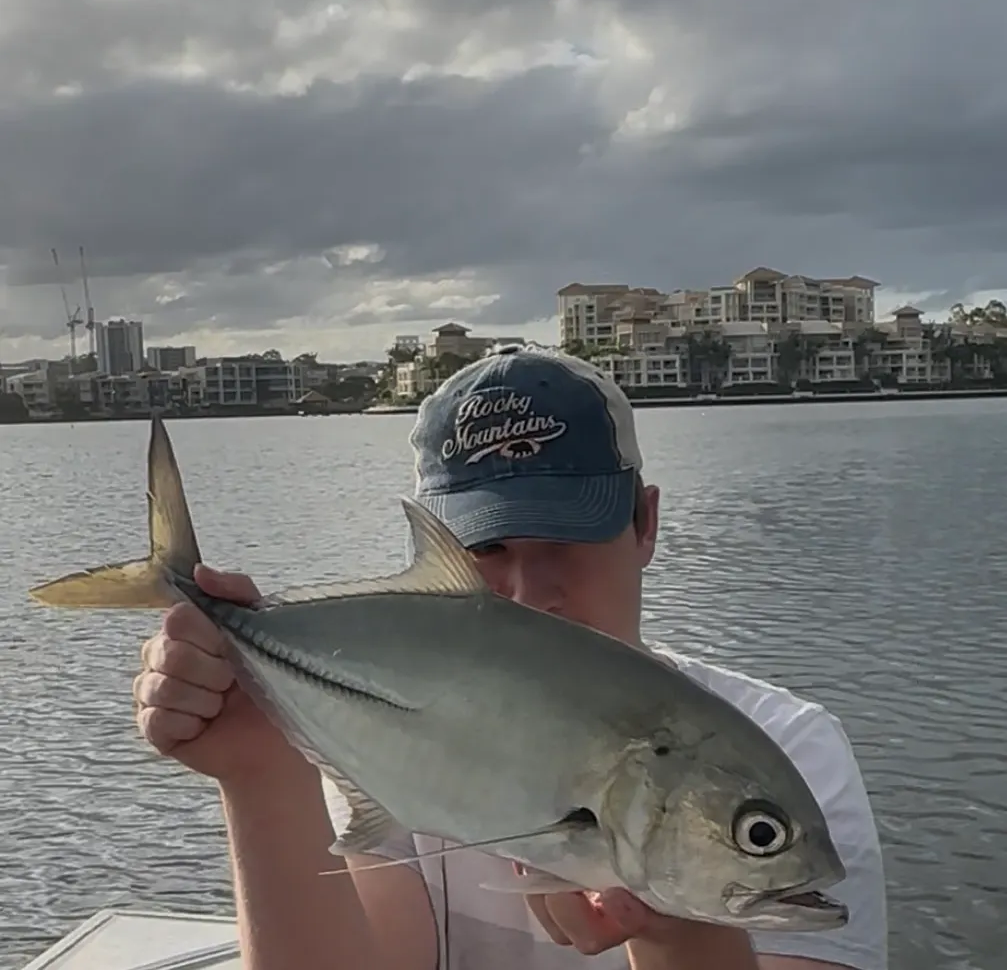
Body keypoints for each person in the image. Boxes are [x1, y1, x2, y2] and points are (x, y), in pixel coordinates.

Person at [133, 345, 888, 970]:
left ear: (645, 524)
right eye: (485, 550)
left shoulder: (787, 748)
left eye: (566, 541)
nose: (531, 591)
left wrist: (674, 929)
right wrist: (260, 773)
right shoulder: (391, 738)